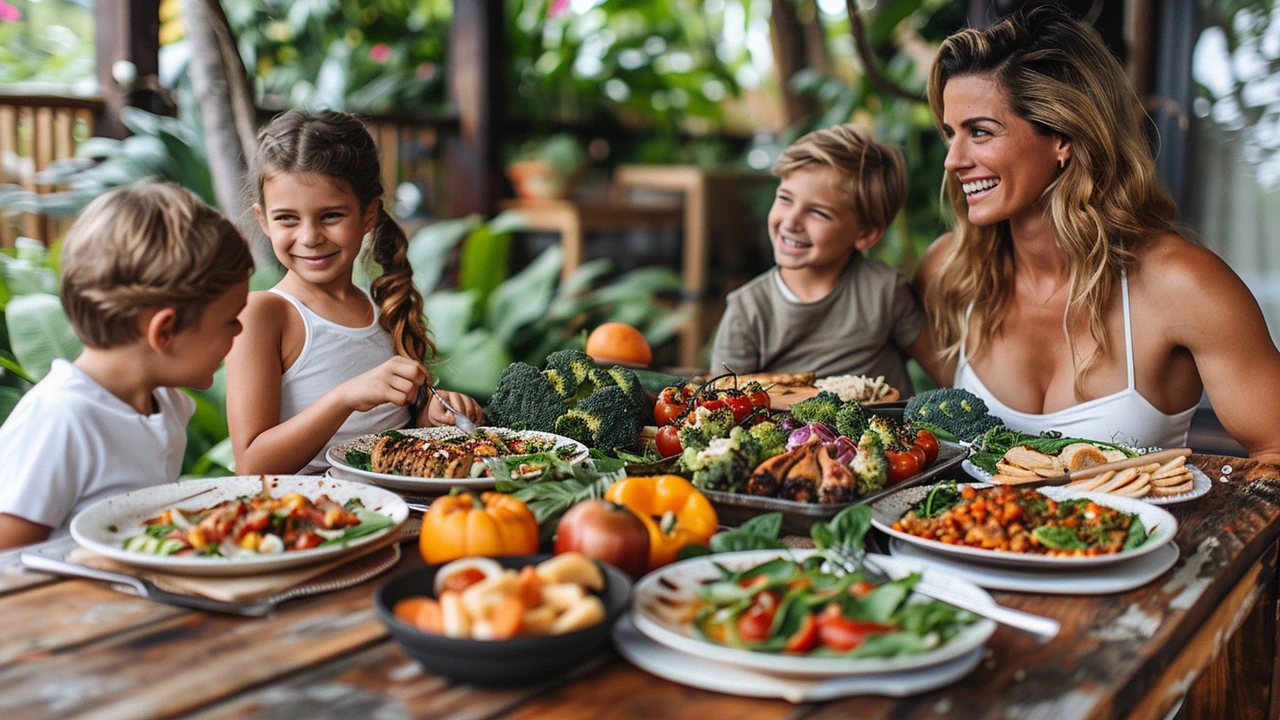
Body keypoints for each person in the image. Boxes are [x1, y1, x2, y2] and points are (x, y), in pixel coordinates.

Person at [915, 7, 1280, 458]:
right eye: (951, 133)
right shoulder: (950, 272)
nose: (953, 160)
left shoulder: (1182, 284)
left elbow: (1275, 451)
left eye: (981, 132)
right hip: (973, 529)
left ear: (1063, 137)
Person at [227, 109, 482, 476]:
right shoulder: (265, 315)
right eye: (287, 218)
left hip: (394, 510)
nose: (310, 237)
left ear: (368, 214)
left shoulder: (384, 306)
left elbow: (390, 440)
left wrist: (430, 418)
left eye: (330, 216)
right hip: (313, 520)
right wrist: (344, 398)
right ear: (263, 219)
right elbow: (252, 466)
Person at [0, 184, 254, 549]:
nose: (240, 329)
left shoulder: (167, 403)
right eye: (231, 319)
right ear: (164, 331)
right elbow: (7, 563)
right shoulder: (61, 419)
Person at [710, 123, 940, 396]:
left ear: (865, 233)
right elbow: (721, 402)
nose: (791, 221)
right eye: (785, 199)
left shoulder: (885, 291)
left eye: (818, 212)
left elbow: (946, 371)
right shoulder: (747, 309)